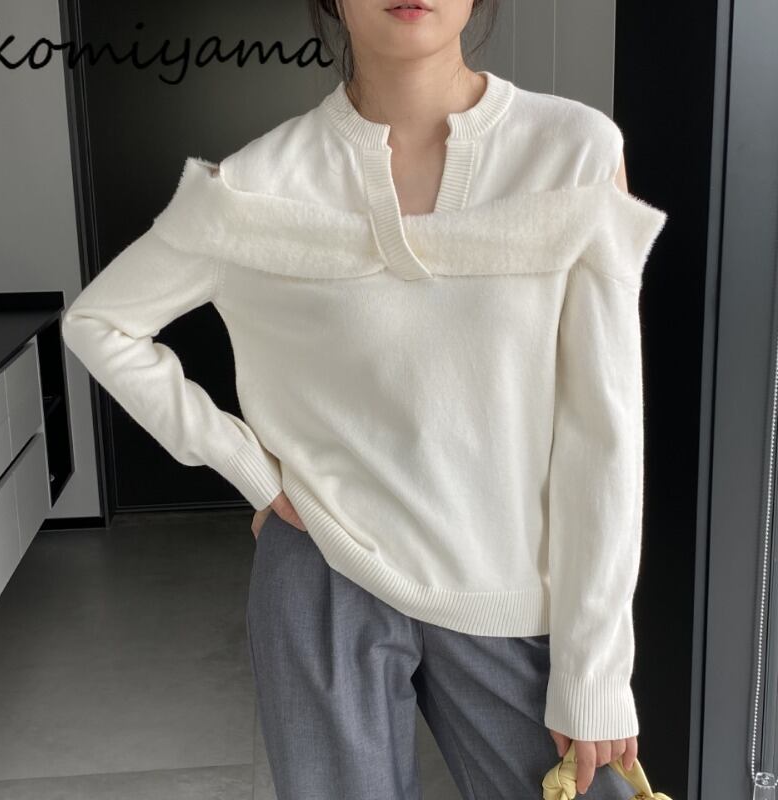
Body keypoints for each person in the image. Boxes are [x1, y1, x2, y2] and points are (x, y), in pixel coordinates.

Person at [61, 0, 668, 797]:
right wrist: (253, 470)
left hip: (506, 583)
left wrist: (595, 670)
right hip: (324, 571)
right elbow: (100, 322)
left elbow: (603, 430)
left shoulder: (573, 150)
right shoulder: (255, 184)